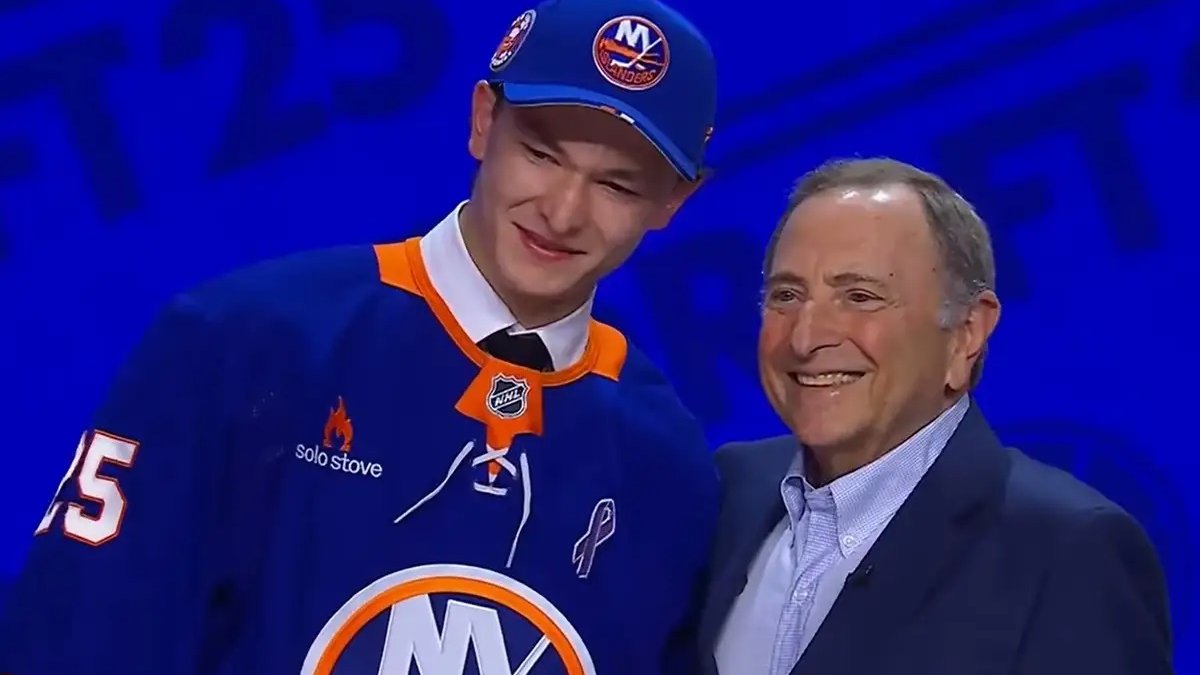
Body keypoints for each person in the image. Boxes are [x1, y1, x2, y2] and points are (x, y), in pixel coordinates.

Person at [0, 0, 719, 672]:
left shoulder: (667, 463)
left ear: (674, 202)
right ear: (481, 121)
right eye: (541, 154)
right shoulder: (242, 345)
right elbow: (75, 641)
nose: (562, 212)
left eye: (616, 185)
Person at [697, 157, 1174, 675]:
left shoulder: (1066, 552)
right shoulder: (729, 492)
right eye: (786, 296)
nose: (806, 337)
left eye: (860, 296)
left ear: (967, 333)